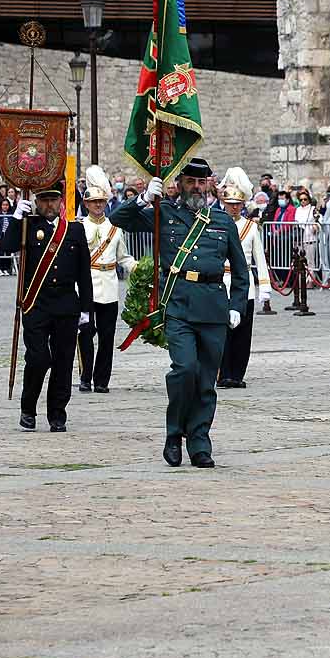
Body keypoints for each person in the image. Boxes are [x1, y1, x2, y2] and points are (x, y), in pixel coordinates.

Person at [111, 158, 249, 468]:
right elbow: (118, 219)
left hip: (214, 308)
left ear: (210, 184)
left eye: (202, 183)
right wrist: (144, 198)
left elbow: (241, 272)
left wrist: (237, 307)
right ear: (181, 183)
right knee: (184, 369)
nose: (196, 188)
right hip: (178, 305)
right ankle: (174, 434)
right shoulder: (165, 214)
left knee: (205, 380)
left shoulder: (223, 221)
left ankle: (199, 441)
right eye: (191, 182)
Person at [3, 182, 94, 433]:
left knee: (64, 362)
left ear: (61, 202)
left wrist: (86, 308)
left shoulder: (74, 230)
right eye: (43, 200)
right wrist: (15, 217)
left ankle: (57, 413)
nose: (49, 205)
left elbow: (84, 272)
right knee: (38, 358)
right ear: (36, 202)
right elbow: (6, 246)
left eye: (53, 200)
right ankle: (28, 408)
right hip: (36, 304)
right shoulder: (27, 226)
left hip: (66, 304)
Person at [76, 167, 133, 394]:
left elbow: (124, 257)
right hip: (86, 286)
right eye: (94, 202)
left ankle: (102, 380)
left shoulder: (115, 229)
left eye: (101, 201)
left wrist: (137, 268)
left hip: (109, 286)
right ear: (87, 204)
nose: (98, 205)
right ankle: (85, 376)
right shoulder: (78, 227)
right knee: (85, 333)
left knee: (107, 336)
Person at [218, 178, 272, 389]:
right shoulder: (219, 224)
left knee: (242, 333)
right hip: (221, 281)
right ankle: (223, 373)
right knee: (223, 333)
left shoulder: (250, 228)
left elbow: (260, 257)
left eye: (237, 204)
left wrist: (264, 286)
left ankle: (237, 374)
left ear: (242, 205)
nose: (233, 207)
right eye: (230, 203)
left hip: (245, 284)